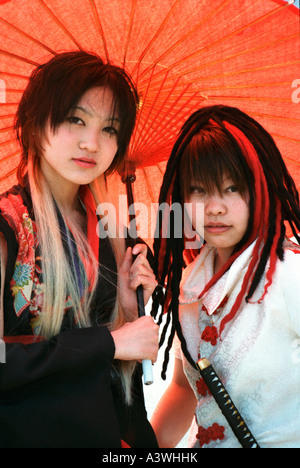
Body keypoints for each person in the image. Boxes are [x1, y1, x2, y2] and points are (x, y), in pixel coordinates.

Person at [0, 51, 159, 448]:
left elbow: (118, 379)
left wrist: (126, 311)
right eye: (76, 119)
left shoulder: (118, 238)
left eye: (110, 129)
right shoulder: (7, 226)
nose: (92, 143)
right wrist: (109, 341)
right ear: (35, 124)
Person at [150, 105, 300, 448]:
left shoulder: (290, 273)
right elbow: (183, 390)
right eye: (199, 190)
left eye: (232, 188)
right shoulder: (189, 286)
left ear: (259, 188)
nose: (214, 207)